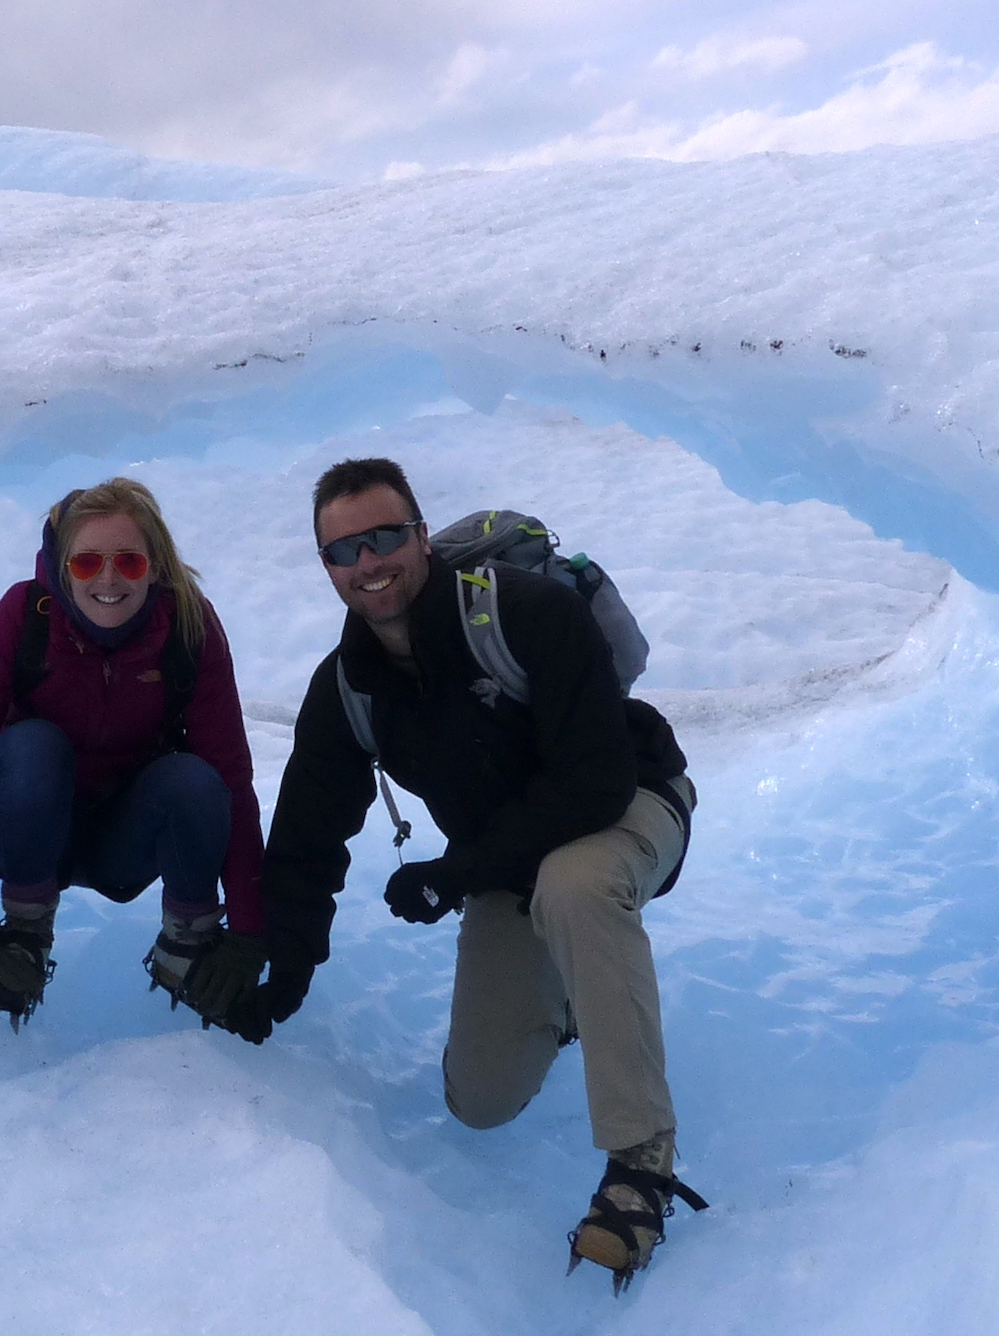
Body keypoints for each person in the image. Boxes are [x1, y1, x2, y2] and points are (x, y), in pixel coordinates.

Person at [221, 456, 705, 1290]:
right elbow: (308, 836)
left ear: (419, 534)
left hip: (629, 806)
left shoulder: (528, 614)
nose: (368, 564)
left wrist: (458, 873)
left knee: (576, 884)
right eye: (345, 551)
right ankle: (584, 992)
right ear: (327, 568)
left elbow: (592, 782)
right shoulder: (349, 689)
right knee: (479, 1100)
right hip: (511, 862)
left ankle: (642, 1161)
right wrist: (284, 967)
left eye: (384, 537)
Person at [0, 478, 268, 1029]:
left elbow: (230, 776)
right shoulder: (23, 616)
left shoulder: (188, 625)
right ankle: (23, 935)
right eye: (86, 564)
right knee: (34, 747)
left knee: (195, 781)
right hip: (23, 828)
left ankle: (190, 945)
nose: (108, 579)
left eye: (128, 561)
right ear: (62, 569)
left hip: (121, 840)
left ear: (156, 566)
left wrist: (250, 933)